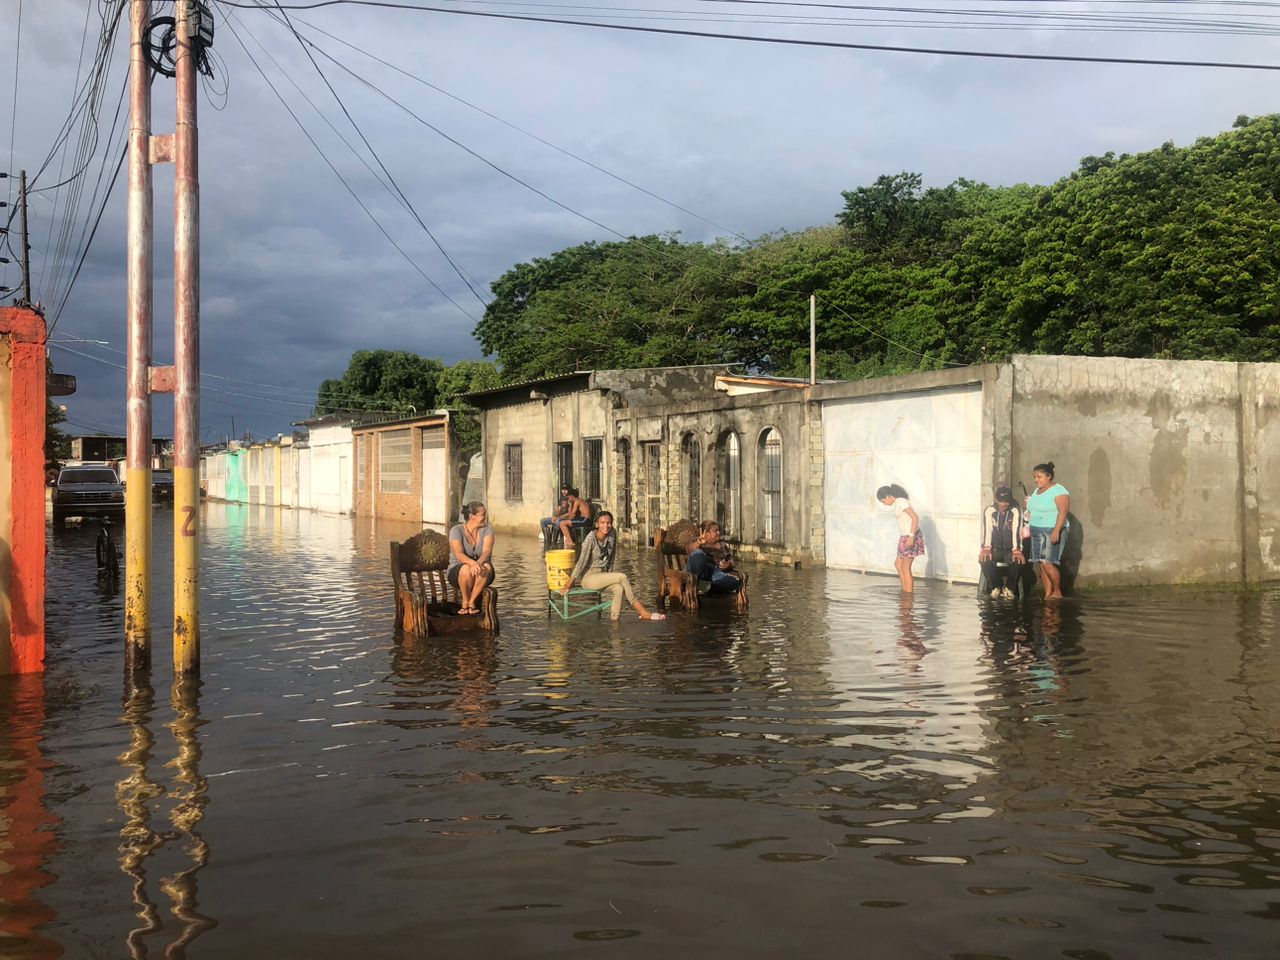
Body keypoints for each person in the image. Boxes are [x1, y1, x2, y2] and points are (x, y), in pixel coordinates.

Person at [560, 511, 665, 621]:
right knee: (622, 576)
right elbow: (581, 562)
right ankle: (643, 612)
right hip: (589, 578)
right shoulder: (590, 539)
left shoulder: (612, 533)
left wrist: (609, 575)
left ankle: (614, 622)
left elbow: (612, 557)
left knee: (618, 588)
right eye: (602, 522)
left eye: (608, 523)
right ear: (597, 524)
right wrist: (568, 585)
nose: (606, 526)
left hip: (603, 575)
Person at [1027, 461, 1070, 600]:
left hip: (1051, 529)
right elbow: (1033, 507)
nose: (1036, 480)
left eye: (1039, 477)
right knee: (1041, 562)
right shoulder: (1037, 490)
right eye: (1035, 477)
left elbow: (1063, 512)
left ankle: (1057, 591)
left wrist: (1056, 531)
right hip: (1036, 529)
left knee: (1048, 562)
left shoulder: (1059, 491)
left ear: (1049, 476)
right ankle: (1047, 593)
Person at [448, 501, 495, 615]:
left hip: (481, 569)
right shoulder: (456, 530)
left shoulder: (487, 530)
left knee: (486, 567)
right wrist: (472, 564)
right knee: (465, 569)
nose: (485, 517)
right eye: (483, 514)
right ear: (471, 516)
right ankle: (465, 600)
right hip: (458, 570)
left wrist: (477, 563)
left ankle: (471, 602)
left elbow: (487, 551)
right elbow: (459, 554)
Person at [979, 485, 1025, 599]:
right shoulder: (989, 511)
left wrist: (1016, 550)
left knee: (1018, 561)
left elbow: (1017, 531)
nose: (1003, 504)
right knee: (984, 560)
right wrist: (986, 548)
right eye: (1000, 501)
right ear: (996, 499)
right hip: (994, 549)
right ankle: (996, 586)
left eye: (1006, 502)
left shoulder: (1016, 511)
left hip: (1010, 550)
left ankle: (1009, 588)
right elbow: (987, 530)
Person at [877, 483, 923, 593]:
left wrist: (911, 537)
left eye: (883, 501)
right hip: (904, 537)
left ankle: (908, 595)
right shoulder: (897, 503)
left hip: (910, 536)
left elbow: (915, 518)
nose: (884, 504)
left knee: (905, 568)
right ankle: (904, 591)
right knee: (898, 564)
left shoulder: (901, 502)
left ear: (888, 496)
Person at [686, 520, 742, 594]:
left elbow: (731, 560)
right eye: (715, 531)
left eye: (718, 530)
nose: (718, 533)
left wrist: (728, 565)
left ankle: (708, 587)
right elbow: (690, 549)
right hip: (698, 573)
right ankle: (697, 583)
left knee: (734, 581)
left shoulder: (722, 545)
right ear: (706, 533)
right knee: (697, 553)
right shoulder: (697, 541)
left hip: (714, 573)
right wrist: (699, 543)